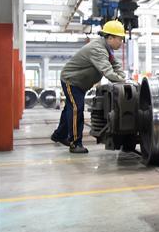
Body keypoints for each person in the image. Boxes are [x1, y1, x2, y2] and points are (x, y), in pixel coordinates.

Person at [51, 20, 127, 153]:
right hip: (71, 80)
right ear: (110, 37)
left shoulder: (106, 49)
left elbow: (115, 65)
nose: (121, 42)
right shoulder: (98, 49)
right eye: (120, 39)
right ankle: (75, 143)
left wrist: (124, 79)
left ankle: (59, 135)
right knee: (76, 109)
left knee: (70, 108)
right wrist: (122, 81)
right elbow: (107, 71)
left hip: (80, 83)